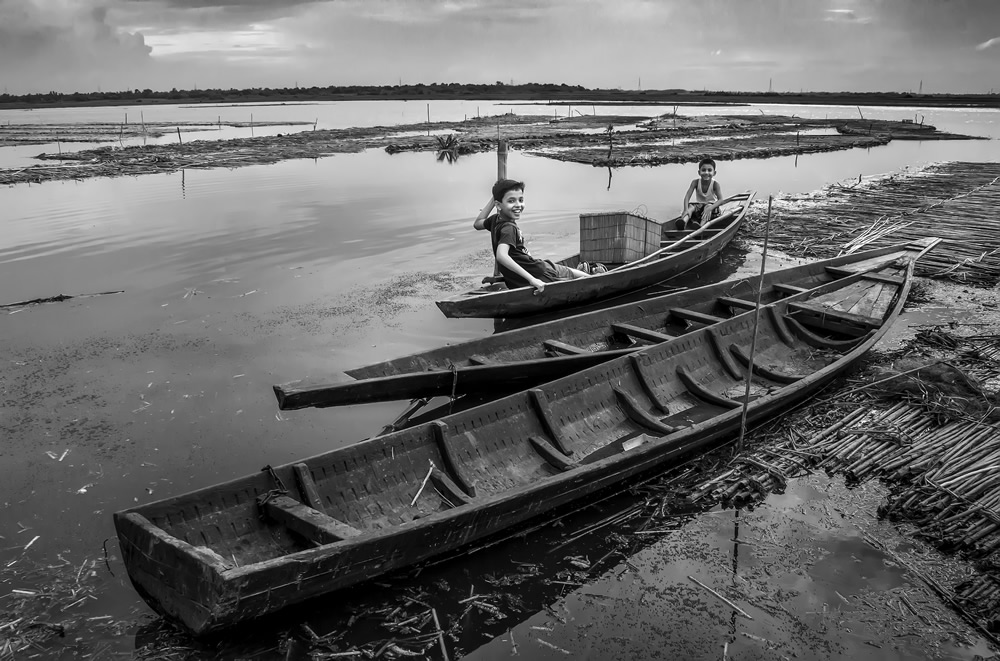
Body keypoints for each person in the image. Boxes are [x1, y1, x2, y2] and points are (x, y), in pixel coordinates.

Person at [474, 179, 590, 294]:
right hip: (538, 274)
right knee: (584, 281)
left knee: (572, 273)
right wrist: (532, 280)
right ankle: (593, 274)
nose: (518, 205)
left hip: (538, 266)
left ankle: (590, 272)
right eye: (511, 201)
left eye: (521, 200)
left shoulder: (495, 219)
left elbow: (478, 223)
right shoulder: (508, 228)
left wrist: (495, 198)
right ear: (498, 205)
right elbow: (501, 256)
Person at [678, 157, 723, 230]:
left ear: (714, 173)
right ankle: (683, 222)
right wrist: (685, 209)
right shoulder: (695, 182)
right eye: (703, 170)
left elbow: (721, 200)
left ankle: (700, 226)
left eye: (709, 170)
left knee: (707, 207)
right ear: (699, 172)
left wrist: (710, 208)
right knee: (691, 207)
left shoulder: (715, 184)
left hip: (712, 208)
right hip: (700, 207)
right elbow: (687, 197)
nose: (706, 173)